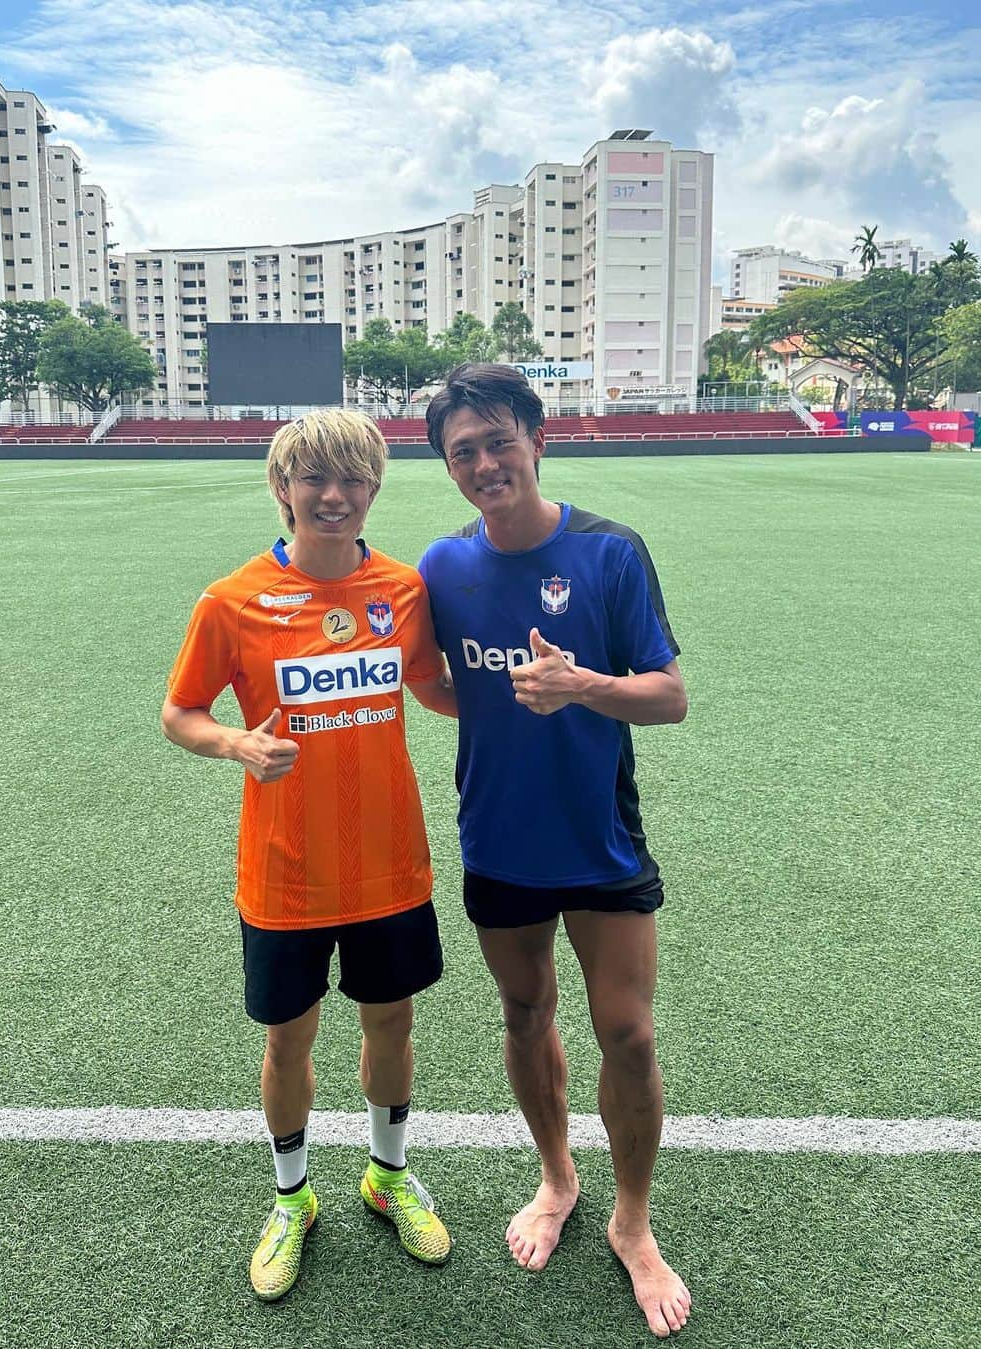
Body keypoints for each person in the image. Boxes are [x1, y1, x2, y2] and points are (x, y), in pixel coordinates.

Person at [419, 364, 691, 1338]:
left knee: (630, 1033)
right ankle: (557, 1175)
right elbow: (431, 675)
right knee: (526, 1010)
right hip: (498, 837)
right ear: (448, 466)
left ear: (539, 438)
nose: (486, 463)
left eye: (499, 440)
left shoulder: (611, 553)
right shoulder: (442, 567)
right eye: (464, 451)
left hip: (600, 839)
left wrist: (583, 686)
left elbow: (669, 695)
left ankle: (633, 1218)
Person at [162, 408, 456, 1301]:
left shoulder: (404, 589)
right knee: (288, 1038)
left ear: (373, 488)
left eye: (352, 479)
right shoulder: (232, 599)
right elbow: (182, 712)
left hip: (388, 863)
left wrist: (515, 693)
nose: (333, 496)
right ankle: (292, 1195)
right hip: (284, 872)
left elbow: (432, 685)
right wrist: (236, 746)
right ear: (282, 487)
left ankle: (388, 1173)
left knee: (392, 1023)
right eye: (314, 480)